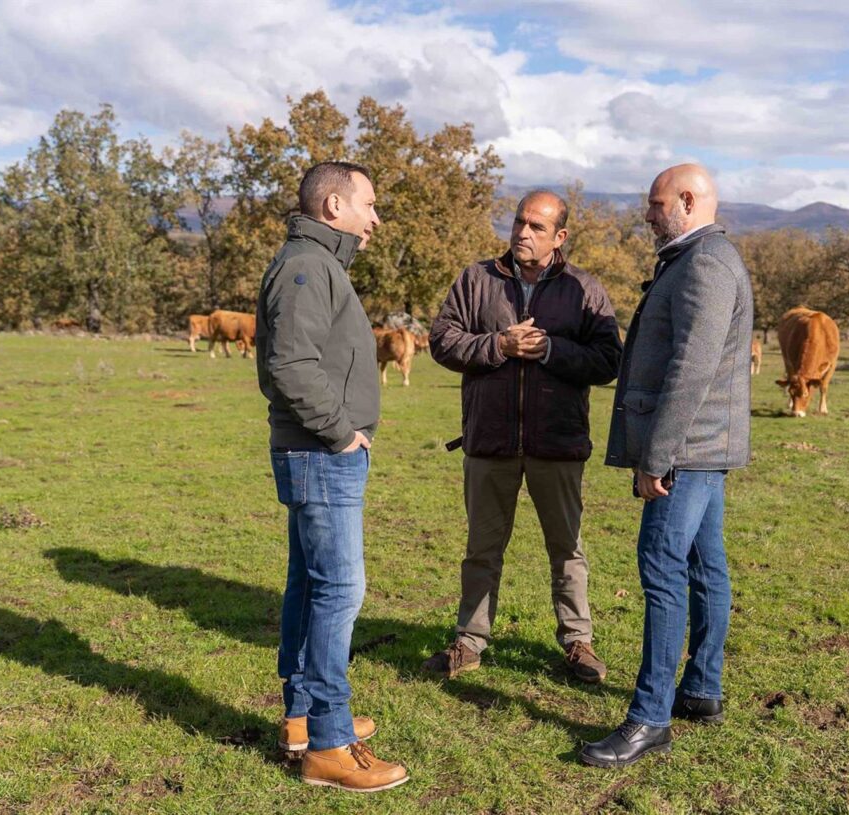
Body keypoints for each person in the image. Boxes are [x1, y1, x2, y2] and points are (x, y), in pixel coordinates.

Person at [580, 164, 754, 768]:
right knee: (707, 564)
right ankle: (702, 688)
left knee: (661, 569)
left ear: (687, 200)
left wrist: (657, 455)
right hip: (705, 447)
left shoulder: (705, 262)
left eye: (655, 205)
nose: (647, 215)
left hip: (688, 449)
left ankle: (650, 717)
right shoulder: (699, 256)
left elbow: (692, 368)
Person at [424, 190, 623, 683]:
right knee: (482, 548)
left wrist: (552, 350)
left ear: (560, 237)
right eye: (519, 222)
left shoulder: (584, 288)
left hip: (558, 444)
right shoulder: (477, 280)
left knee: (567, 549)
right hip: (489, 442)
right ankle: (469, 641)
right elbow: (441, 340)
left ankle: (578, 642)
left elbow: (608, 360)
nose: (522, 233)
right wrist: (498, 345)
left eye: (536, 227)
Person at [255, 161, 408, 792]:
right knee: (339, 592)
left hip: (319, 453)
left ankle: (304, 716)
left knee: (310, 586)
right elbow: (290, 364)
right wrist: (342, 433)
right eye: (369, 205)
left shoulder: (318, 264)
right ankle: (328, 741)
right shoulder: (307, 267)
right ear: (334, 205)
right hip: (323, 454)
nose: (375, 218)